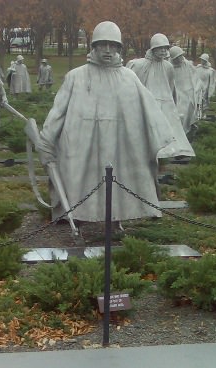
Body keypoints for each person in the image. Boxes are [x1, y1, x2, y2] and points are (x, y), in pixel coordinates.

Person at [38, 21, 193, 225]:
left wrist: (159, 141)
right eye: (103, 45)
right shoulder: (76, 77)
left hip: (119, 147)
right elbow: (57, 113)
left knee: (118, 181)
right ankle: (81, 215)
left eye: (113, 46)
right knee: (83, 181)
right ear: (93, 47)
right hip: (83, 147)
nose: (108, 51)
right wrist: (46, 141)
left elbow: (150, 113)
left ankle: (116, 219)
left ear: (119, 48)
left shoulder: (129, 78)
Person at [127, 33, 193, 153]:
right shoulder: (141, 65)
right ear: (153, 49)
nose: (163, 51)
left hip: (165, 102)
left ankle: (167, 153)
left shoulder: (168, 67)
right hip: (149, 102)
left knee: (168, 132)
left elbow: (171, 87)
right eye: (160, 48)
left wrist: (173, 105)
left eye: (165, 48)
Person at [169, 45, 197, 133]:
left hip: (188, 92)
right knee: (179, 113)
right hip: (176, 93)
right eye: (177, 57)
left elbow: (195, 76)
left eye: (181, 56)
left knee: (189, 112)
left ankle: (189, 128)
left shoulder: (187, 64)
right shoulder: (169, 66)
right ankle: (180, 132)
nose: (180, 58)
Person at [194, 53, 216, 118]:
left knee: (204, 102)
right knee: (197, 100)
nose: (202, 61)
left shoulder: (210, 71)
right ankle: (197, 114)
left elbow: (212, 82)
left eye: (203, 60)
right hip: (197, 88)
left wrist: (210, 92)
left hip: (206, 88)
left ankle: (203, 114)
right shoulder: (198, 68)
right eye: (201, 59)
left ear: (206, 60)